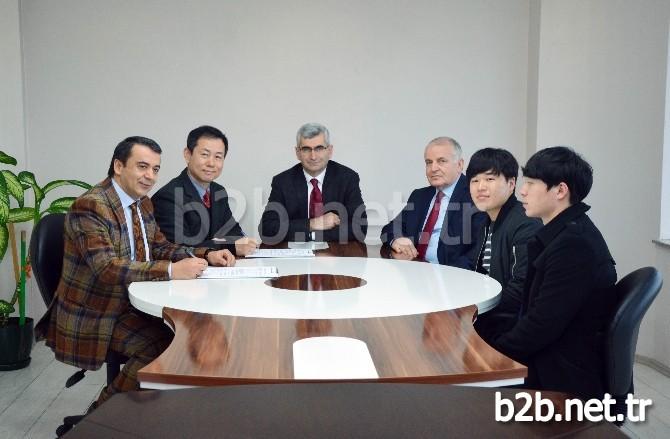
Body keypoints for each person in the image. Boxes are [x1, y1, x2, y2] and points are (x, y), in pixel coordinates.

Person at [35, 136, 236, 407]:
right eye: (142, 166)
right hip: (95, 311)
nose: (150, 176)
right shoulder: (91, 206)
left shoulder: (142, 203)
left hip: (128, 302)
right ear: (119, 166)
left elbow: (160, 246)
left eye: (155, 169)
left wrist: (205, 254)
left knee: (192, 331)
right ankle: (101, 416)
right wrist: (171, 270)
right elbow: (106, 268)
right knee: (160, 346)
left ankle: (155, 409)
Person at [474, 146, 617, 400]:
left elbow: (539, 326)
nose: (522, 191)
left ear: (560, 191)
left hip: (559, 376)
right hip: (550, 356)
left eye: (530, 183)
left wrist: (492, 355)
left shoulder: (574, 245)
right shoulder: (565, 233)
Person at [380, 137, 485, 269]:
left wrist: (441, 276)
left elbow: (475, 256)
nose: (433, 168)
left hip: (452, 276)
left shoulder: (476, 196)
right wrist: (396, 240)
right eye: (429, 162)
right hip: (414, 270)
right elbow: (389, 229)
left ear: (459, 165)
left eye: (442, 161)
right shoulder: (419, 196)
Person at [152, 125, 257, 256]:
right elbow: (177, 247)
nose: (211, 163)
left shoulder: (218, 191)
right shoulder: (168, 196)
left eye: (218, 157)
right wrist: (230, 246)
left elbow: (233, 233)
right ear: (188, 155)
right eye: (205, 155)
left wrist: (243, 242)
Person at [467, 148, 541, 325]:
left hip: (508, 324)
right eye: (474, 180)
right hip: (486, 312)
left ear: (511, 183)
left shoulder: (525, 223)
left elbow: (520, 290)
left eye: (490, 179)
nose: (480, 187)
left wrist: (473, 316)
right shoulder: (486, 221)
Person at [259, 123, 367, 243]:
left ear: (330, 150)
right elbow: (267, 229)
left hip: (335, 253)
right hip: (295, 254)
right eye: (306, 149)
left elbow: (360, 228)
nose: (313, 156)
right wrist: (313, 224)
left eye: (319, 148)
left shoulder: (347, 178)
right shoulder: (283, 182)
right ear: (297, 153)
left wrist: (311, 235)